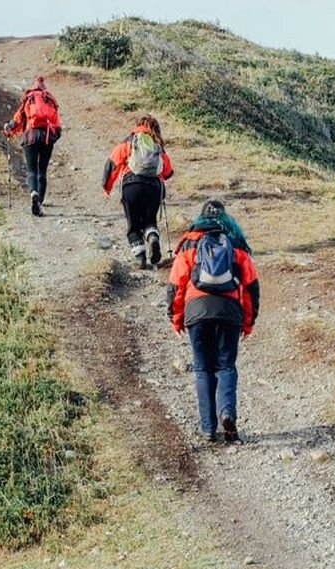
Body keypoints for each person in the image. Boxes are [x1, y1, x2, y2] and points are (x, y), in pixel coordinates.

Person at [167, 200, 260, 443]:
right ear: (226, 219)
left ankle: (208, 428)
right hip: (229, 312)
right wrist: (247, 323)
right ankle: (227, 412)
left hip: (196, 311)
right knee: (226, 366)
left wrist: (176, 319)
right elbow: (251, 289)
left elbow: (176, 286)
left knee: (202, 368)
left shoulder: (190, 244)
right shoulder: (236, 246)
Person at [103, 114, 174, 269]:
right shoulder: (157, 145)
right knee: (150, 221)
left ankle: (140, 258)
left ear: (138, 125)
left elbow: (112, 163)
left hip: (131, 186)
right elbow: (168, 172)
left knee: (133, 225)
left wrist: (107, 187)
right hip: (154, 188)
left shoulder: (130, 141)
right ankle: (153, 237)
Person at [3, 76, 62, 217]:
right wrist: (53, 139)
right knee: (42, 171)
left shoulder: (29, 99)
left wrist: (8, 129)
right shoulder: (50, 100)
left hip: (30, 137)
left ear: (33, 87)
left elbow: (17, 120)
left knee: (31, 170)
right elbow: (58, 126)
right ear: (44, 88)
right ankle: (39, 203)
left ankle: (33, 193)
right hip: (46, 138)